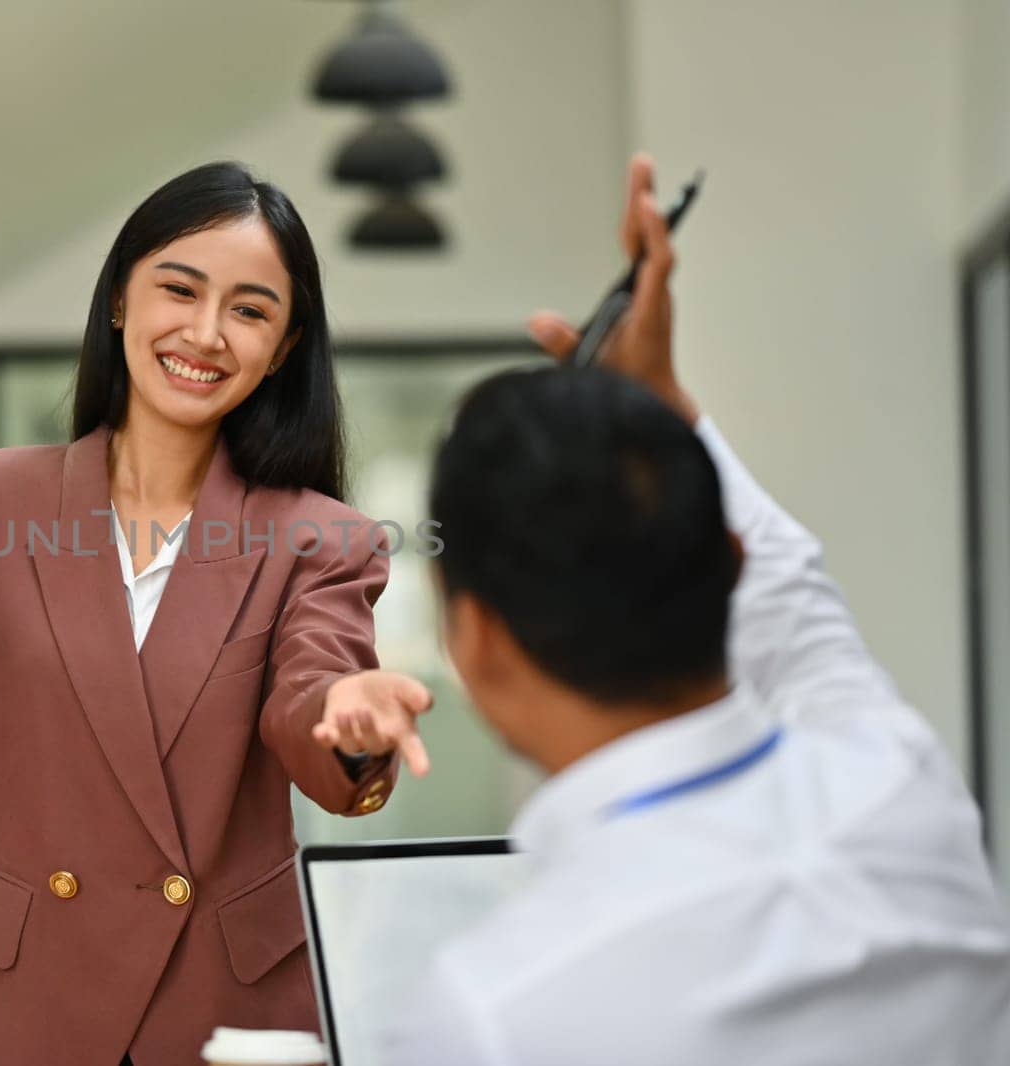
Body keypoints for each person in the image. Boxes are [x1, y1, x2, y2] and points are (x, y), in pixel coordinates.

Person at [0, 161, 437, 1066]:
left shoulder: (324, 538)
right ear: (118, 301)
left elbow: (315, 688)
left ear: (286, 346)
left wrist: (348, 717)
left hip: (222, 1017)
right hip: (18, 1009)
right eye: (179, 289)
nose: (207, 333)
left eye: (251, 310)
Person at [382, 154, 1010, 1064]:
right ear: (729, 560)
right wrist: (661, 398)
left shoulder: (494, 1015)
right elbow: (797, 602)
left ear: (472, 639)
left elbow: (790, 594)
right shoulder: (900, 788)